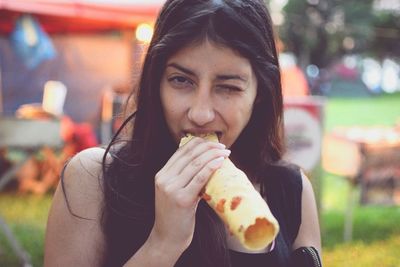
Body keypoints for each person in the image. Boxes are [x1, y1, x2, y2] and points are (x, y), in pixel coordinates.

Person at [44, 0, 322, 266]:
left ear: (260, 93)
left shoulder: (292, 191)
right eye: (181, 80)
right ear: (156, 82)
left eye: (228, 87)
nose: (200, 114)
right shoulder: (95, 180)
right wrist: (163, 244)